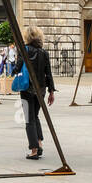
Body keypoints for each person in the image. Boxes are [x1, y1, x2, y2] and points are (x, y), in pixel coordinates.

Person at [19, 27, 56, 161]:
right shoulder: (44, 53)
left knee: (29, 119)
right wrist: (51, 91)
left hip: (27, 88)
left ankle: (34, 149)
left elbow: (17, 67)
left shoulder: (24, 50)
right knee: (35, 115)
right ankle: (39, 142)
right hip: (41, 90)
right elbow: (49, 74)